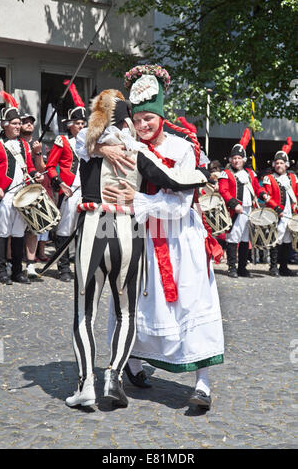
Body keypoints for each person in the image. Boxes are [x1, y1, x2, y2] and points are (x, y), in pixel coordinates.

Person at [67, 87, 209, 409]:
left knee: (84, 313)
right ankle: (114, 376)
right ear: (130, 119)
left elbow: (81, 140)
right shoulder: (135, 150)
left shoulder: (87, 145)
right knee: (126, 311)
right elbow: (172, 179)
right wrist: (201, 176)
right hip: (127, 229)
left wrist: (98, 143)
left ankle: (85, 384)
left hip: (94, 225)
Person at [100, 65, 224, 410]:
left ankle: (202, 385)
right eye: (138, 119)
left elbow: (180, 205)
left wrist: (136, 200)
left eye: (149, 118)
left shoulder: (182, 148)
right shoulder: (125, 145)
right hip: (141, 237)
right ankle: (134, 366)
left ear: (161, 116)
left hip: (179, 240)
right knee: (134, 302)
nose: (143, 125)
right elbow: (87, 146)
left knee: (191, 303)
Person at [0, 92, 44, 284]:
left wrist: (36, 175)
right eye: (14, 123)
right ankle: (1, 271)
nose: (18, 127)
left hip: (22, 194)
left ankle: (17, 271)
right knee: (2, 233)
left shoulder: (25, 146)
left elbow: (30, 167)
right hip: (5, 194)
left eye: (19, 124)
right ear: (4, 125)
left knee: (18, 233)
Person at [218, 129, 269, 278]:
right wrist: (234, 204)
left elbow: (257, 187)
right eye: (234, 158)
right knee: (233, 238)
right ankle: (232, 268)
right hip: (236, 211)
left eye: (239, 158)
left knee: (246, 239)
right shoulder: (225, 174)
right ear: (230, 160)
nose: (236, 161)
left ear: (244, 159)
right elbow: (223, 190)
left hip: (249, 210)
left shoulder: (250, 173)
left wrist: (263, 194)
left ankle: (242, 268)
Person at [46, 93, 87, 282]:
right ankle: (63, 268)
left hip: (86, 191)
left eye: (83, 123)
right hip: (69, 190)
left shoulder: (90, 144)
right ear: (70, 124)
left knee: (83, 230)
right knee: (65, 230)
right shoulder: (62, 141)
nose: (81, 126)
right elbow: (50, 167)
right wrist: (60, 184)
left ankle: (80, 266)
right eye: (78, 123)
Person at [20, 113, 49, 278]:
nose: (29, 124)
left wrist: (37, 153)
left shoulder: (40, 145)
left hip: (33, 190)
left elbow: (41, 169)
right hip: (17, 189)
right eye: (24, 122)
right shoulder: (14, 143)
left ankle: (30, 265)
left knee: (33, 228)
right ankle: (12, 263)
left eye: (31, 122)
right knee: (13, 231)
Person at [263, 137, 298, 276]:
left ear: (287, 164)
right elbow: (267, 196)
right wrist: (277, 209)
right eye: (277, 163)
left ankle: (284, 266)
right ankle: (273, 267)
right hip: (277, 214)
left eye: (281, 163)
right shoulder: (269, 178)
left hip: (291, 213)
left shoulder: (294, 178)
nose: (279, 165)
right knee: (276, 240)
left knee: (288, 241)